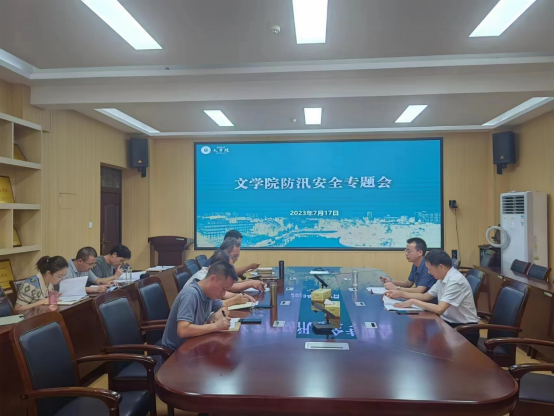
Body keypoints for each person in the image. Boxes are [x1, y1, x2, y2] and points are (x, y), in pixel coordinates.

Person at [385, 249, 479, 345]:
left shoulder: (455, 281)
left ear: (440, 267)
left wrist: (413, 301)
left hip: (463, 330)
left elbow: (439, 309)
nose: (429, 272)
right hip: (447, 324)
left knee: (424, 343)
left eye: (430, 269)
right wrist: (401, 294)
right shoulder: (442, 278)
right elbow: (426, 296)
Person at [162, 261, 237, 351]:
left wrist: (217, 315)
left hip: (195, 343)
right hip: (176, 351)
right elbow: (183, 330)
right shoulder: (191, 294)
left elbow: (223, 307)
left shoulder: (209, 293)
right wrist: (216, 326)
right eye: (223, 288)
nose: (223, 294)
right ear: (213, 279)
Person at [188, 250, 256, 305]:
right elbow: (224, 295)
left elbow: (216, 305)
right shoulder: (202, 280)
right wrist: (235, 299)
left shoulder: (210, 283)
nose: (223, 293)